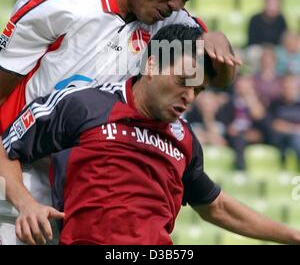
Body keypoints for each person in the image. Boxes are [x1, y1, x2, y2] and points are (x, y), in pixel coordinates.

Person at [0, 0, 240, 244]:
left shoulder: (168, 26)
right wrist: (17, 189)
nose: (176, 5)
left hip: (80, 195)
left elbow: (215, 79)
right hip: (18, 178)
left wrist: (218, 39)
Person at [1, 24, 300, 245]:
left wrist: (292, 235)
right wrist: (26, 204)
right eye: (184, 80)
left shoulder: (185, 140)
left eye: (198, 90)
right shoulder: (84, 105)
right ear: (153, 62)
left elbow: (217, 207)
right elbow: (7, 148)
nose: (189, 97)